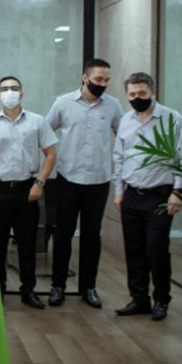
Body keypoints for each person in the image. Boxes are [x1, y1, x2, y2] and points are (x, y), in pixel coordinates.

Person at [45, 58, 123, 308]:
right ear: (85, 77)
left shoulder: (113, 106)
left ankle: (88, 288)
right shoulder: (63, 103)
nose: (102, 84)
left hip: (99, 181)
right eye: (98, 79)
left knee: (92, 236)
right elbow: (45, 133)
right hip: (67, 179)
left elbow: (124, 137)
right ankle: (58, 286)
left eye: (106, 80)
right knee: (63, 234)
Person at [0, 76, 57, 309]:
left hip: (27, 190)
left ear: (22, 93)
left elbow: (51, 154)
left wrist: (39, 183)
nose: (9, 92)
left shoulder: (37, 122)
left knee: (27, 244)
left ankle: (28, 290)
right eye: (4, 89)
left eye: (13, 88)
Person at [113, 72, 182, 321]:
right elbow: (119, 157)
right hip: (132, 194)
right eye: (132, 94)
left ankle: (161, 300)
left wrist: (178, 192)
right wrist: (118, 192)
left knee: (156, 249)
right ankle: (139, 299)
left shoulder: (172, 118)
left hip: (161, 195)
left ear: (153, 92)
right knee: (134, 249)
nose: (137, 98)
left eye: (142, 93)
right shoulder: (125, 120)